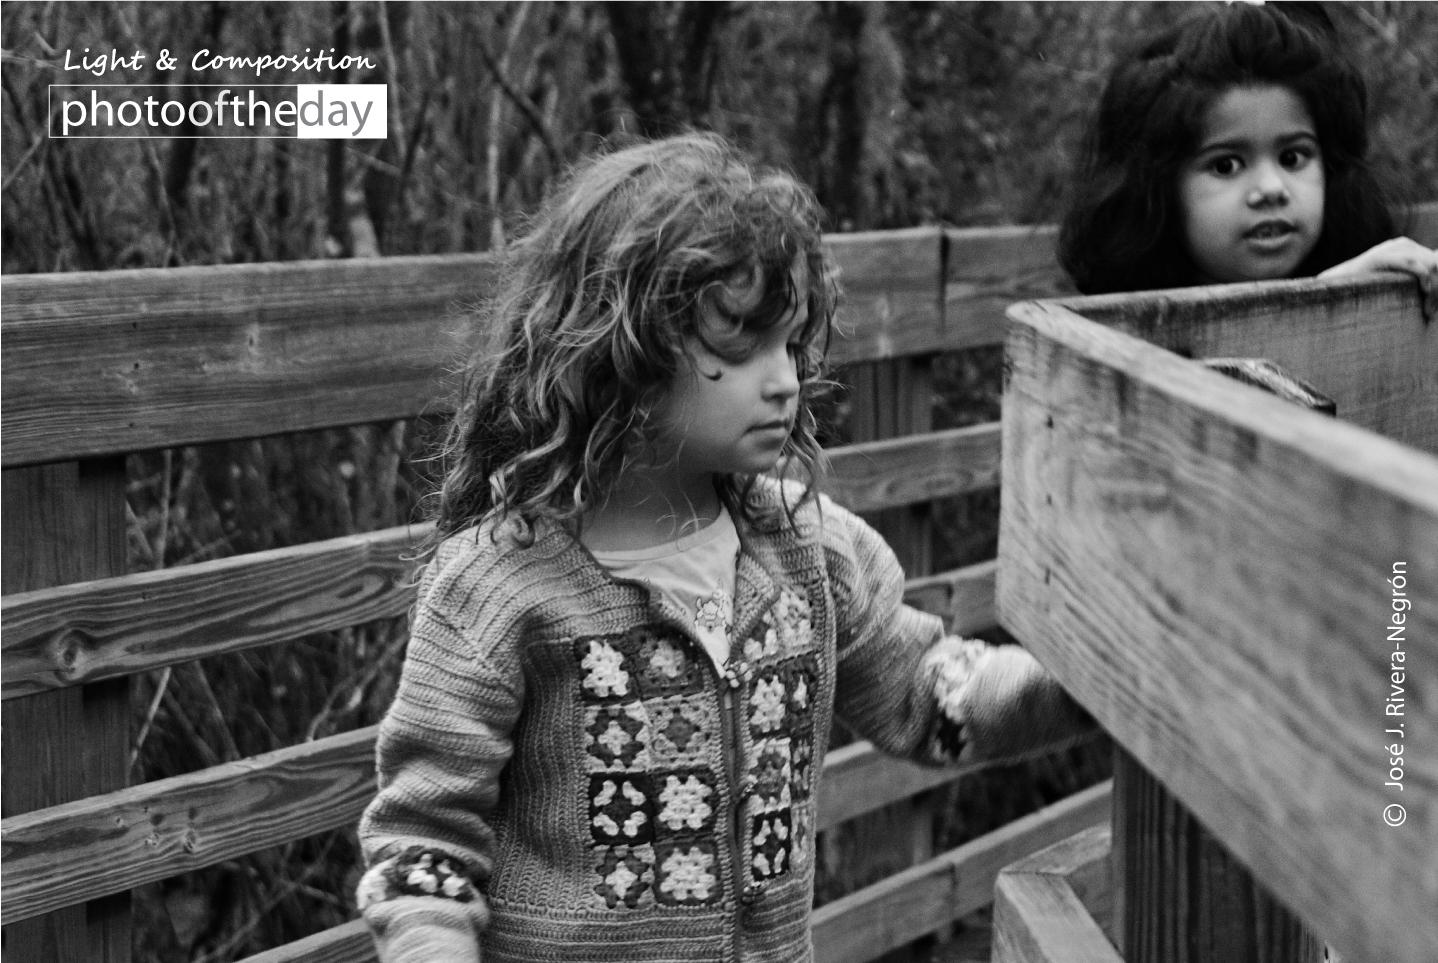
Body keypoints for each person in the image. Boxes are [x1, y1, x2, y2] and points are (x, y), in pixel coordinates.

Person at [354, 133, 1093, 963]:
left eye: (790, 342)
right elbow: (425, 848)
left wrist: (1101, 690)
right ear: (620, 348)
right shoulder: (499, 586)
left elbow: (931, 695)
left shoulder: (806, 549)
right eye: (741, 341)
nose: (783, 378)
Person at [1058, 2, 1437, 316]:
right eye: (1226, 166)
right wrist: (1329, 304)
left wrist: (1378, 293)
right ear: (1158, 189)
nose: (1271, 189)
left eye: (1293, 157)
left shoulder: (1365, 275)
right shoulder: (1129, 337)